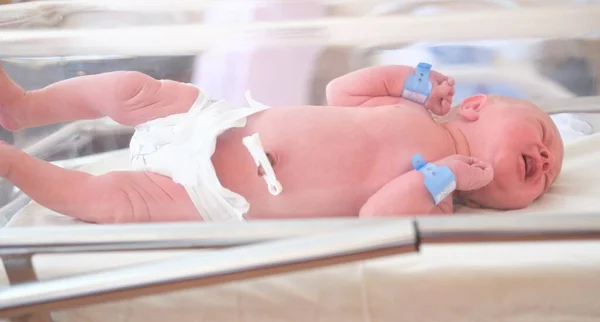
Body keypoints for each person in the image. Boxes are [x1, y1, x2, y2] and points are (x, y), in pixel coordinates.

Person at [0, 62, 563, 223]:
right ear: (476, 105)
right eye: (543, 138)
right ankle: (25, 107)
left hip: (213, 193)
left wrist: (443, 178)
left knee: (111, 203)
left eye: (547, 175)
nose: (543, 160)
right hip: (214, 121)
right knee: (128, 89)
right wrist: (410, 80)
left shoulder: (437, 197)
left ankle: (11, 163)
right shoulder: (408, 107)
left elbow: (377, 216)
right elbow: (342, 89)